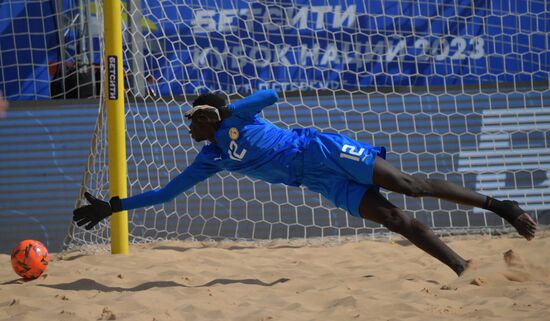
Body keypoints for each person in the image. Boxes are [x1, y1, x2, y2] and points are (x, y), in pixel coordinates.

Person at [73, 89, 537, 276]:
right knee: (396, 220)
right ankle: (465, 269)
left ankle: (501, 205)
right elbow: (167, 193)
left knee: (408, 185)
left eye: (191, 119)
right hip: (315, 181)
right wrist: (114, 207)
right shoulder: (211, 156)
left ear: (208, 115)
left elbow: (271, 92)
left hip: (322, 149)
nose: (187, 128)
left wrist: (230, 110)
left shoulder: (237, 117)